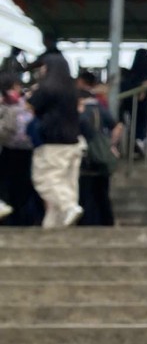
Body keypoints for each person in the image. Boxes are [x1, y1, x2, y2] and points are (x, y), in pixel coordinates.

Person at [25, 56, 83, 227]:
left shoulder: (47, 88)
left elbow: (30, 106)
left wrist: (31, 93)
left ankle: (68, 207)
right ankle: (55, 224)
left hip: (52, 141)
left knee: (45, 180)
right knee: (66, 182)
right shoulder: (72, 90)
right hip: (73, 141)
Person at [76, 69, 121, 227]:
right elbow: (117, 126)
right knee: (102, 192)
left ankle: (88, 222)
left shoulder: (82, 113)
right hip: (102, 155)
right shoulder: (100, 109)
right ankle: (106, 221)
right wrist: (111, 144)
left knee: (86, 192)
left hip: (86, 157)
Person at [0, 72, 40, 225]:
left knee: (8, 186)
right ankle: (20, 219)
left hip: (8, 149)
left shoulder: (9, 102)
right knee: (22, 187)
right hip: (24, 149)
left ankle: (10, 218)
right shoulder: (23, 103)